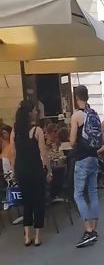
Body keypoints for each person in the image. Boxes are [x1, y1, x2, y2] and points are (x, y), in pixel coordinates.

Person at [9, 100, 52, 246]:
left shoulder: (14, 131)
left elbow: (13, 154)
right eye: (34, 110)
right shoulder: (37, 130)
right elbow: (43, 153)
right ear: (29, 113)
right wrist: (49, 170)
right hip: (35, 170)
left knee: (26, 202)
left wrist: (14, 171)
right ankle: (38, 236)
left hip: (21, 171)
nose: (36, 112)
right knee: (38, 202)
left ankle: (27, 236)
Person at [70, 85, 104, 247]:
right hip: (94, 157)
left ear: (76, 97)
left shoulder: (76, 116)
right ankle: (94, 229)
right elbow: (101, 139)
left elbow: (72, 141)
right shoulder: (94, 114)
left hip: (82, 158)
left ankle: (88, 230)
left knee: (78, 194)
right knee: (93, 192)